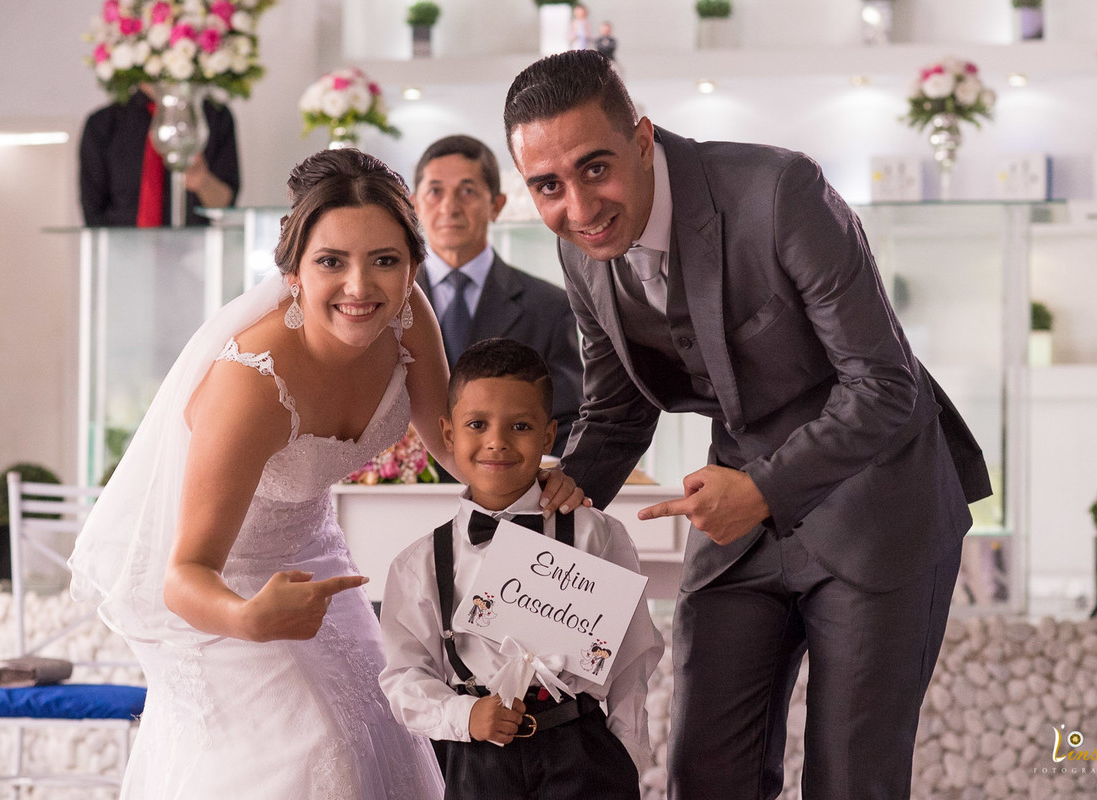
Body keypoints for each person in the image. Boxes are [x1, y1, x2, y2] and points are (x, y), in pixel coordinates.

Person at [503, 50, 993, 800]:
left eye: (594, 168)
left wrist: (761, 490)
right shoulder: (583, 252)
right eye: (547, 186)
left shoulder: (778, 191)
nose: (578, 206)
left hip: (880, 500)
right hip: (741, 525)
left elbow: (886, 384)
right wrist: (540, 510)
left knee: (849, 780)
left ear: (641, 139)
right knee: (703, 777)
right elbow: (617, 408)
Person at [68, 148, 584, 799]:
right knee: (320, 746)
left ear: (413, 266)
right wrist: (251, 618)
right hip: (229, 595)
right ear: (292, 272)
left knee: (385, 728)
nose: (360, 287)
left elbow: (454, 446)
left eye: (385, 261)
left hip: (320, 566)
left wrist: (541, 479)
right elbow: (184, 575)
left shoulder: (406, 316)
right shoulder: (252, 387)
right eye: (331, 262)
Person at [379, 337, 663, 800]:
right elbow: (403, 675)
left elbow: (633, 656)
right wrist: (461, 716)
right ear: (448, 434)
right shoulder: (420, 564)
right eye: (477, 424)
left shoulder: (598, 536)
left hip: (584, 750)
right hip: (479, 759)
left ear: (549, 436)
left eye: (520, 426)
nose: (497, 441)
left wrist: (626, 751)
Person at [412, 134, 583, 457]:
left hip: (514, 493)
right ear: (414, 205)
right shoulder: (388, 304)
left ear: (496, 205)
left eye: (467, 191)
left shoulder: (549, 307)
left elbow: (568, 423)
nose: (449, 207)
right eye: (435, 192)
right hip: (397, 497)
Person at [79, 83, 240, 226]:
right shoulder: (103, 123)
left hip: (193, 251)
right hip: (123, 252)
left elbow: (226, 207)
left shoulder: (214, 117)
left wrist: (202, 181)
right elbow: (93, 213)